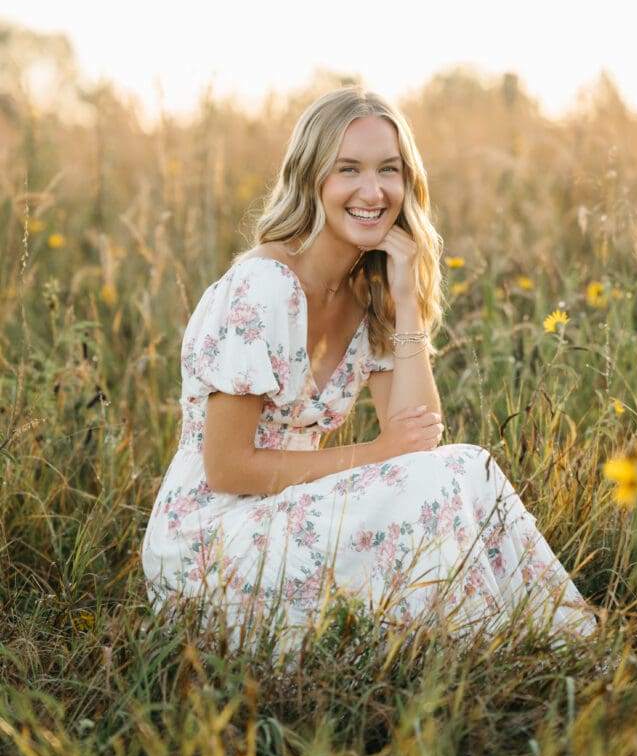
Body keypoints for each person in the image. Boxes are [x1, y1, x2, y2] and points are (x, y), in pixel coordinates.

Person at [142, 86, 597, 645]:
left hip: (287, 513)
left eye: (389, 169)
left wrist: (404, 298)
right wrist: (376, 455)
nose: (373, 190)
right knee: (434, 481)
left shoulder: (370, 290)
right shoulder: (263, 286)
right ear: (313, 179)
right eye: (348, 169)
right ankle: (486, 652)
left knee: (469, 467)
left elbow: (419, 436)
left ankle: (564, 645)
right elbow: (227, 468)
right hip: (209, 540)